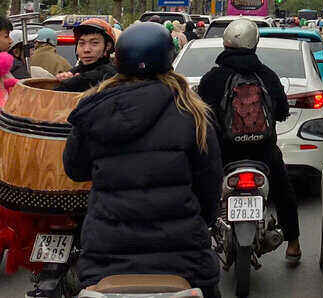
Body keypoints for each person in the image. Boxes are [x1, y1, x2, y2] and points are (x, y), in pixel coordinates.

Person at [63, 22, 223, 298]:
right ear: (168, 59)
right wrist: (198, 220)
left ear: (119, 58)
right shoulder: (193, 113)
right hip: (184, 257)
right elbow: (209, 187)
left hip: (105, 255)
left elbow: (75, 169)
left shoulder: (94, 107)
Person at [195, 18, 301, 264]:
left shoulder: (213, 77)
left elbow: (202, 113)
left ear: (226, 43)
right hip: (263, 152)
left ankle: (199, 243)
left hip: (224, 153)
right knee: (284, 191)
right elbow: (282, 111)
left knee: (203, 189)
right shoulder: (266, 75)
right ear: (255, 44)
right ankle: (294, 243)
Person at [56, 18, 118, 92]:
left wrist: (70, 81)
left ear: (107, 46)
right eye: (82, 43)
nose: (86, 50)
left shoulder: (111, 74)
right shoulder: (75, 71)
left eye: (94, 43)